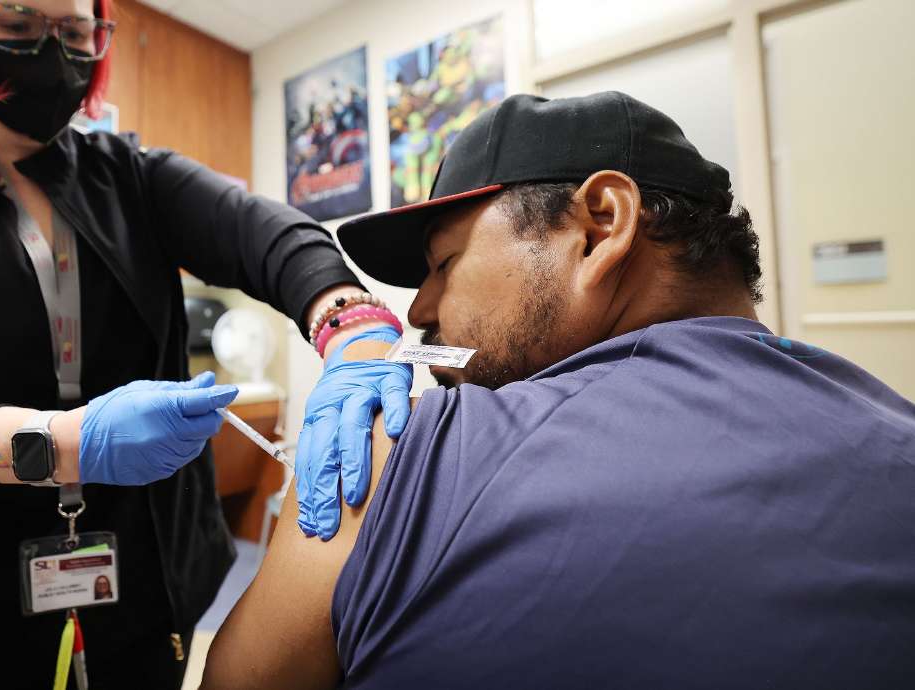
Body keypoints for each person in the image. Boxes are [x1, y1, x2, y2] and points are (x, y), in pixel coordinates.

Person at [202, 93, 915, 690]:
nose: (418, 310)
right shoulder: (897, 436)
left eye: (444, 263)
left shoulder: (397, 457)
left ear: (599, 227)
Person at [0, 1, 413, 688]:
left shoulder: (134, 175)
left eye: (74, 33)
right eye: (18, 26)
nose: (55, 55)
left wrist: (351, 321)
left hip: (140, 569)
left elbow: (266, 233)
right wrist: (64, 443)